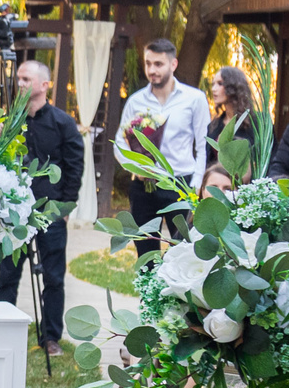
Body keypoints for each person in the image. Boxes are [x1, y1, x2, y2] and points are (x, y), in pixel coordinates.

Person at [0, 59, 83, 349]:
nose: (19, 83)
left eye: (26, 79)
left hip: (49, 210)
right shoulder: (8, 121)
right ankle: (1, 329)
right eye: (18, 78)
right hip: (14, 211)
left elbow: (74, 165)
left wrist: (65, 207)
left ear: (44, 85)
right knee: (8, 272)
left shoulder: (62, 123)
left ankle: (51, 336)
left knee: (53, 276)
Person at [112, 38, 206, 254]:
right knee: (146, 253)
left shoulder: (195, 99)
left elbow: (203, 146)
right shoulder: (135, 101)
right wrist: (135, 168)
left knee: (182, 251)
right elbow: (119, 141)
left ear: (173, 65)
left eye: (158, 64)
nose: (152, 70)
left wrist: (196, 185)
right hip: (143, 189)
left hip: (180, 184)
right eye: (148, 63)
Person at [206, 65, 268, 174]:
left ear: (233, 87)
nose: (213, 89)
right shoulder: (213, 126)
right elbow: (208, 163)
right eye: (213, 84)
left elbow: (268, 158)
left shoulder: (258, 123)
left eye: (220, 84)